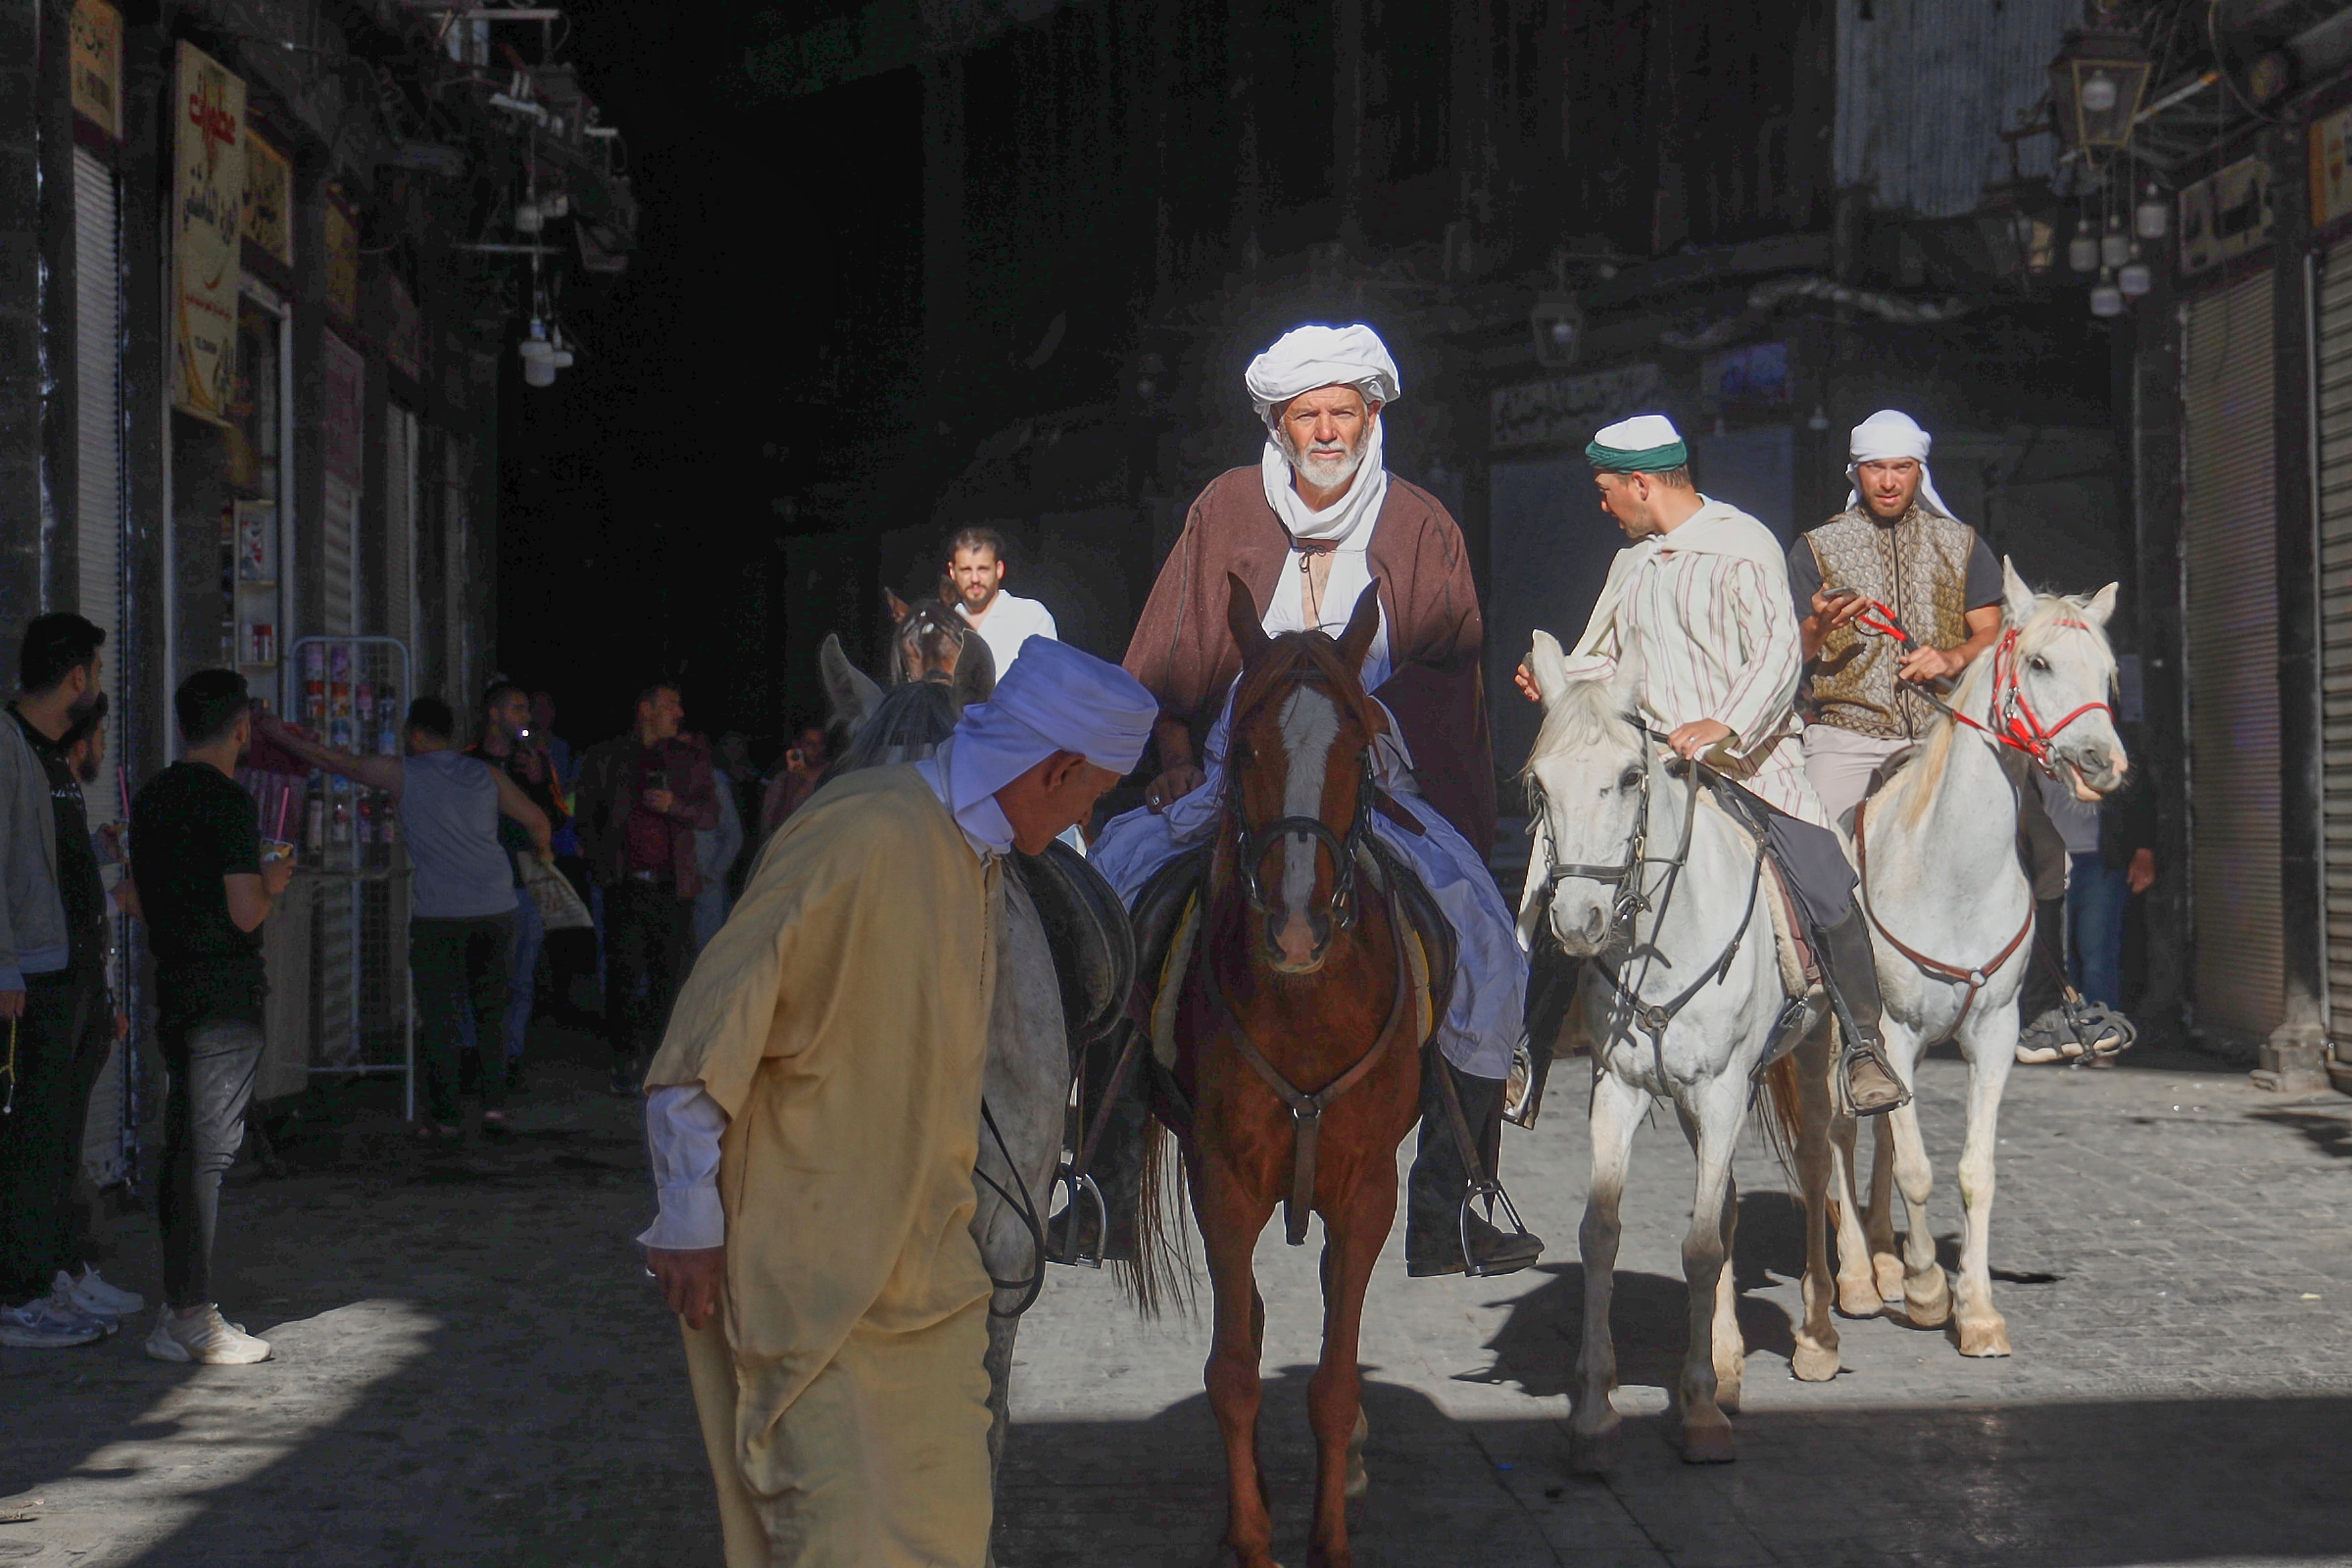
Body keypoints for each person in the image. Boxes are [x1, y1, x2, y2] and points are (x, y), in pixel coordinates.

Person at [640, 638, 1154, 1568]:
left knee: (951, 1535)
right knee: (837, 1539)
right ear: (1060, 768)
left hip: (936, 1286)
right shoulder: (860, 830)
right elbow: (708, 1033)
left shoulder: (981, 858)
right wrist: (687, 1214)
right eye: (1095, 791)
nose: (1092, 810)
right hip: (817, 1281)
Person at [1094, 322, 1539, 1278]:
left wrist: (1362, 725)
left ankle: (1455, 1192)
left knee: (1488, 937)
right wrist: (1174, 752)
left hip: (1375, 769)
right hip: (1237, 770)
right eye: (1309, 415)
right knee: (1116, 886)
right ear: (1281, 422)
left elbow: (1448, 671)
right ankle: (1096, 1165)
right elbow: (1173, 654)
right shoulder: (1225, 508)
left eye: (1344, 412)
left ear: (1372, 416)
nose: (1328, 431)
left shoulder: (1422, 524)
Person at [1518, 414, 1909, 1117]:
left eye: (1607, 490)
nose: (1601, 505)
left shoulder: (1743, 544)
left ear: (1642, 484)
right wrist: (1561, 679)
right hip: (1654, 769)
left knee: (1828, 887)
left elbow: (1780, 653)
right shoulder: (1632, 564)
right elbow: (1606, 658)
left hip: (1752, 766)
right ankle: (1529, 1049)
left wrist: (1727, 723)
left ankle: (1863, 1046)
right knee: (1562, 878)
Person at [1789, 409, 2073, 1053]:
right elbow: (1787, 652)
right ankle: (1808, 992)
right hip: (1850, 731)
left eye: (1901, 468)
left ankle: (2045, 1005)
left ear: (1920, 471)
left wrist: (1950, 659)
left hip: (1947, 733)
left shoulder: (1961, 544)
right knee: (1810, 850)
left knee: (2044, 845)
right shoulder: (1815, 549)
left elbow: (1993, 634)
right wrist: (1818, 630)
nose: (1889, 482)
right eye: (1876, 468)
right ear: (1855, 472)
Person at [258, 699, 550, 1139]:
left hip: (440, 914)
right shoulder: (485, 775)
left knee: (440, 1016)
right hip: (497, 907)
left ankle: (447, 1117)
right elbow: (537, 821)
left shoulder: (404, 773)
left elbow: (334, 760)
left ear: (415, 734)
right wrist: (543, 858)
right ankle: (494, 1108)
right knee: (493, 1011)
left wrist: (276, 732)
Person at [127, 671, 297, 1363]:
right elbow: (246, 909)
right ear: (239, 728)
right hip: (223, 991)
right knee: (206, 1153)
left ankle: (180, 1309)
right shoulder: (228, 804)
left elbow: (137, 896)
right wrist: (275, 880)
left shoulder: (154, 797)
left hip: (173, 983)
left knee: (185, 1147)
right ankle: (193, 1314)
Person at [0, 615, 139, 1350]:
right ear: (78, 678)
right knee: (31, 1140)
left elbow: (45, 863)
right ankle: (20, 1294)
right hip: (35, 980)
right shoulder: (9, 745)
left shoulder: (52, 756)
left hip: (72, 973)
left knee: (56, 1140)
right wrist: (5, 965)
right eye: (95, 673)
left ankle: (55, 1274)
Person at [575, 682, 718, 1096]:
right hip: (625, 885)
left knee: (668, 977)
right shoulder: (608, 757)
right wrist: (600, 863)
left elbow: (711, 815)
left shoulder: (690, 760)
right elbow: (586, 813)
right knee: (622, 974)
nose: (680, 712)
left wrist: (676, 807)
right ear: (646, 709)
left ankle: (660, 1058)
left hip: (672, 889)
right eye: (671, 704)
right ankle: (624, 1057)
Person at [468, 681, 569, 1089]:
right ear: (495, 714)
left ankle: (509, 1057)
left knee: (520, 975)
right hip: (477, 883)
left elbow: (560, 819)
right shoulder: (469, 762)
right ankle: (474, 1056)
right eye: (518, 709)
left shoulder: (537, 763)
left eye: (527, 710)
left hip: (525, 883)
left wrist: (541, 781)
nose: (526, 718)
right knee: (477, 972)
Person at [947, 526, 1059, 677]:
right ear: (953, 572)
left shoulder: (1032, 616)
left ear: (999, 569)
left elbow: (1048, 680)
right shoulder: (943, 626)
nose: (975, 579)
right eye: (966, 570)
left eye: (983, 569)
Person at [691, 750, 745, 952]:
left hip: (706, 882)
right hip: (674, 883)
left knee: (707, 950)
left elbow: (733, 835)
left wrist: (712, 874)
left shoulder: (712, 780)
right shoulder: (661, 777)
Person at [758, 722, 828, 843]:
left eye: (819, 744)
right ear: (798, 745)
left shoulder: (831, 775)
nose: (815, 749)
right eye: (809, 744)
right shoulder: (783, 778)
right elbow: (770, 823)